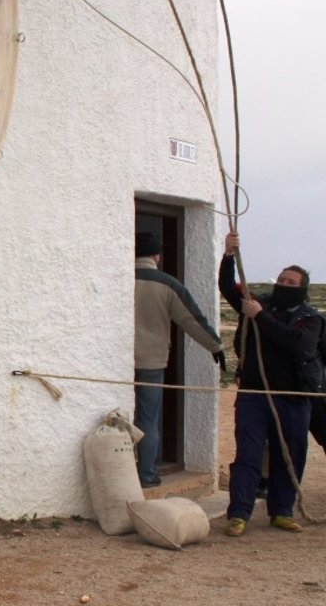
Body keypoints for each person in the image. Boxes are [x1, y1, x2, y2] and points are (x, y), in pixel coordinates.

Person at [218, 230, 320, 537]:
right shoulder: (257, 303)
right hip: (254, 393)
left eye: (291, 282)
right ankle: (239, 514)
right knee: (248, 453)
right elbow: (228, 287)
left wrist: (260, 317)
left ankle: (281, 511)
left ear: (302, 289)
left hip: (293, 396)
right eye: (282, 279)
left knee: (289, 455)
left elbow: (296, 343)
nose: (284, 284)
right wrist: (228, 255)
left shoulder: (311, 318)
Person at [133, 231, 225, 488]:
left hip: (116, 362)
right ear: (157, 256)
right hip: (152, 363)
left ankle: (123, 474)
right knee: (147, 420)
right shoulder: (168, 284)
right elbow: (192, 320)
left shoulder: (119, 279)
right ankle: (146, 475)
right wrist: (215, 347)